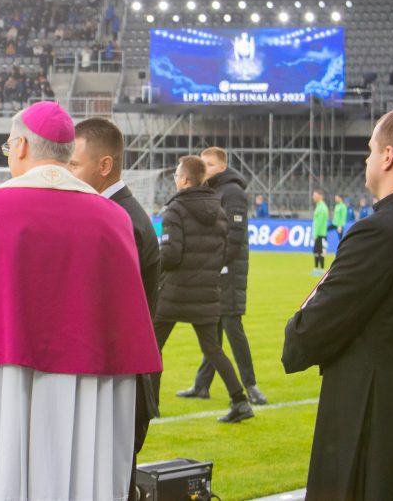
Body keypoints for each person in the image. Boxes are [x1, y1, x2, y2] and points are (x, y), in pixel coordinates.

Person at [0, 102, 161, 501]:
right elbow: (127, 324)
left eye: (8, 148)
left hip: (1, 383)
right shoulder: (112, 218)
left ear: (21, 146)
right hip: (89, 388)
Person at [282, 109, 393, 500]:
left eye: (370, 149)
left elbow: (304, 337)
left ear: (389, 156)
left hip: (370, 414)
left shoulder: (376, 231)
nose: (366, 159)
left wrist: (306, 310)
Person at [69, 116, 161, 501]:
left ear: (104, 166)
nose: (67, 173)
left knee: (112, 485)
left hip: (121, 383)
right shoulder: (119, 213)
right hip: (123, 378)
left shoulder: (118, 219)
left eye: (74, 164)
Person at [153, 155, 254, 424]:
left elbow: (172, 255)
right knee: (213, 349)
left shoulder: (174, 210)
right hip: (207, 290)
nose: (175, 178)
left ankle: (150, 404)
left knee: (153, 346)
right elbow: (223, 250)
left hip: (175, 291)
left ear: (185, 179)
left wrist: (154, 264)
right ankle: (240, 401)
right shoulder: (217, 209)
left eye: (176, 174)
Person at [178, 147, 266, 406]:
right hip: (216, 268)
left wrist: (215, 263)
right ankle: (202, 385)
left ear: (222, 167)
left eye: (209, 164)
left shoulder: (233, 192)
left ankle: (251, 386)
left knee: (231, 325)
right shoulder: (213, 191)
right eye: (202, 163)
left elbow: (234, 238)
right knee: (212, 328)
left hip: (229, 270)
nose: (204, 168)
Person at [311, 189, 329, 275]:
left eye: (315, 195)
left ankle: (321, 269)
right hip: (318, 233)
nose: (313, 197)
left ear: (320, 196)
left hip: (321, 234)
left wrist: (315, 233)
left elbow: (320, 223)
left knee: (321, 252)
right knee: (316, 252)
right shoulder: (319, 206)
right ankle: (316, 269)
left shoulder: (322, 207)